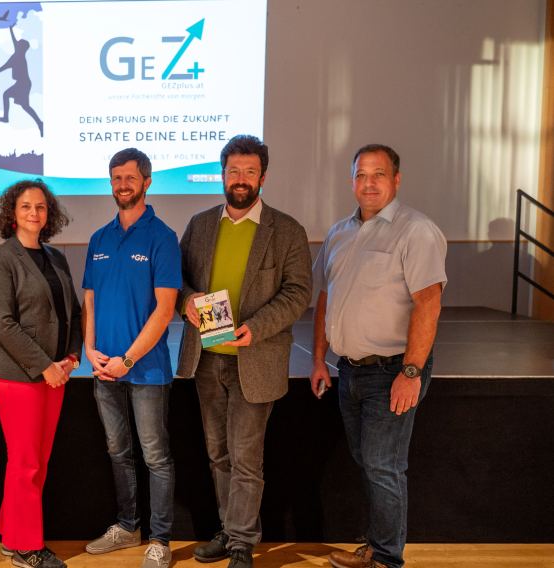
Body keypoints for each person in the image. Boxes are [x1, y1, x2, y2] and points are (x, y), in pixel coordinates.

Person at [176, 135, 312, 567]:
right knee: (218, 454)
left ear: (263, 177)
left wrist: (257, 327)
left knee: (246, 459)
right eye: (233, 171)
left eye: (249, 172)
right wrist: (186, 301)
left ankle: (240, 543)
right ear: (222, 175)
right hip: (207, 358)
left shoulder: (287, 230)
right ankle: (227, 529)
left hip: (257, 359)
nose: (240, 179)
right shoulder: (199, 225)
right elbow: (176, 281)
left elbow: (298, 293)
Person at [311, 144, 446, 568]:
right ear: (352, 180)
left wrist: (411, 371)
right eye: (361, 175)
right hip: (349, 372)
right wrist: (319, 359)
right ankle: (375, 545)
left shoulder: (416, 230)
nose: (369, 183)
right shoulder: (339, 232)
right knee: (369, 463)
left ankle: (387, 558)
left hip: (393, 371)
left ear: (396, 179)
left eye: (378, 174)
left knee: (383, 467)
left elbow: (429, 303)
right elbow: (325, 298)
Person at [82, 147, 181, 568]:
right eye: (116, 178)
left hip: (147, 370)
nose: (123, 185)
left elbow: (165, 309)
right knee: (118, 451)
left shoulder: (163, 237)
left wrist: (128, 358)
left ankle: (160, 539)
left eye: (130, 178)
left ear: (147, 181)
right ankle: (127, 525)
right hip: (103, 369)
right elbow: (89, 299)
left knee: (155, 454)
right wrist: (90, 349)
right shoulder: (100, 239)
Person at [0, 179, 81, 568]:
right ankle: (24, 549)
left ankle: (11, 530)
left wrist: (71, 357)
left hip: (55, 374)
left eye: (40, 207)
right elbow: (3, 324)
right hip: (17, 377)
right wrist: (44, 366)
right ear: (12, 213)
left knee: (34, 459)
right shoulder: (0, 259)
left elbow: (70, 310)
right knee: (27, 463)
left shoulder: (55, 256)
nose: (34, 213)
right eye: (26, 207)